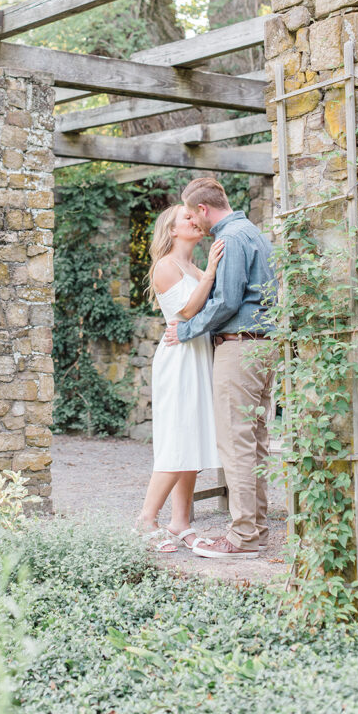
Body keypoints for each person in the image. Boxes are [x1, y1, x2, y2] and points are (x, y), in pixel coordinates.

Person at [164, 177, 276, 559]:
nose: (196, 223)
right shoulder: (256, 233)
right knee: (255, 442)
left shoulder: (228, 238)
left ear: (204, 209)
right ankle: (256, 529)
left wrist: (187, 329)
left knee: (237, 443)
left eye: (195, 215)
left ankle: (242, 537)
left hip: (240, 348)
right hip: (264, 347)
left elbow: (227, 301)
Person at [136, 204, 224, 552]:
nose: (194, 220)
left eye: (195, 216)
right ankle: (146, 519)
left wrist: (207, 273)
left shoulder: (194, 267)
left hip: (199, 353)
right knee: (177, 438)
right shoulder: (166, 266)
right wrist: (212, 273)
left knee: (194, 440)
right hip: (179, 359)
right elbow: (187, 311)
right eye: (186, 218)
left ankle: (180, 523)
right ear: (172, 230)